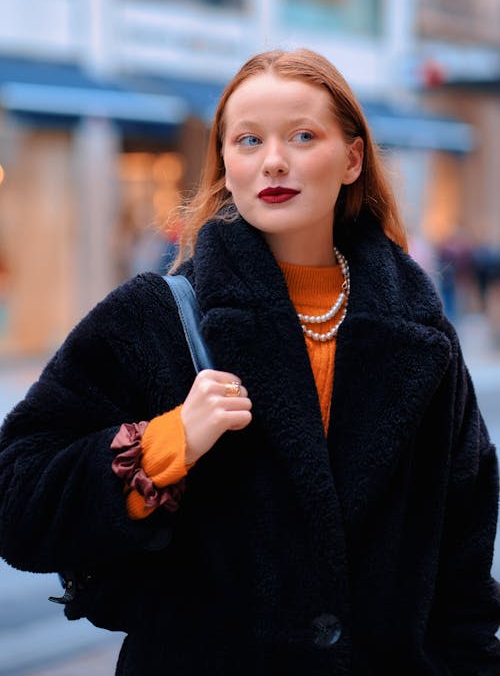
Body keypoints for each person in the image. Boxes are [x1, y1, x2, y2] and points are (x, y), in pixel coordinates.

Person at [0, 48, 499, 675]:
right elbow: (16, 496)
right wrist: (164, 443)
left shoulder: (422, 336)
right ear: (225, 163)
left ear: (352, 159)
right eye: (248, 140)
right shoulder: (151, 318)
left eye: (303, 135)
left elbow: (465, 558)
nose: (274, 160)